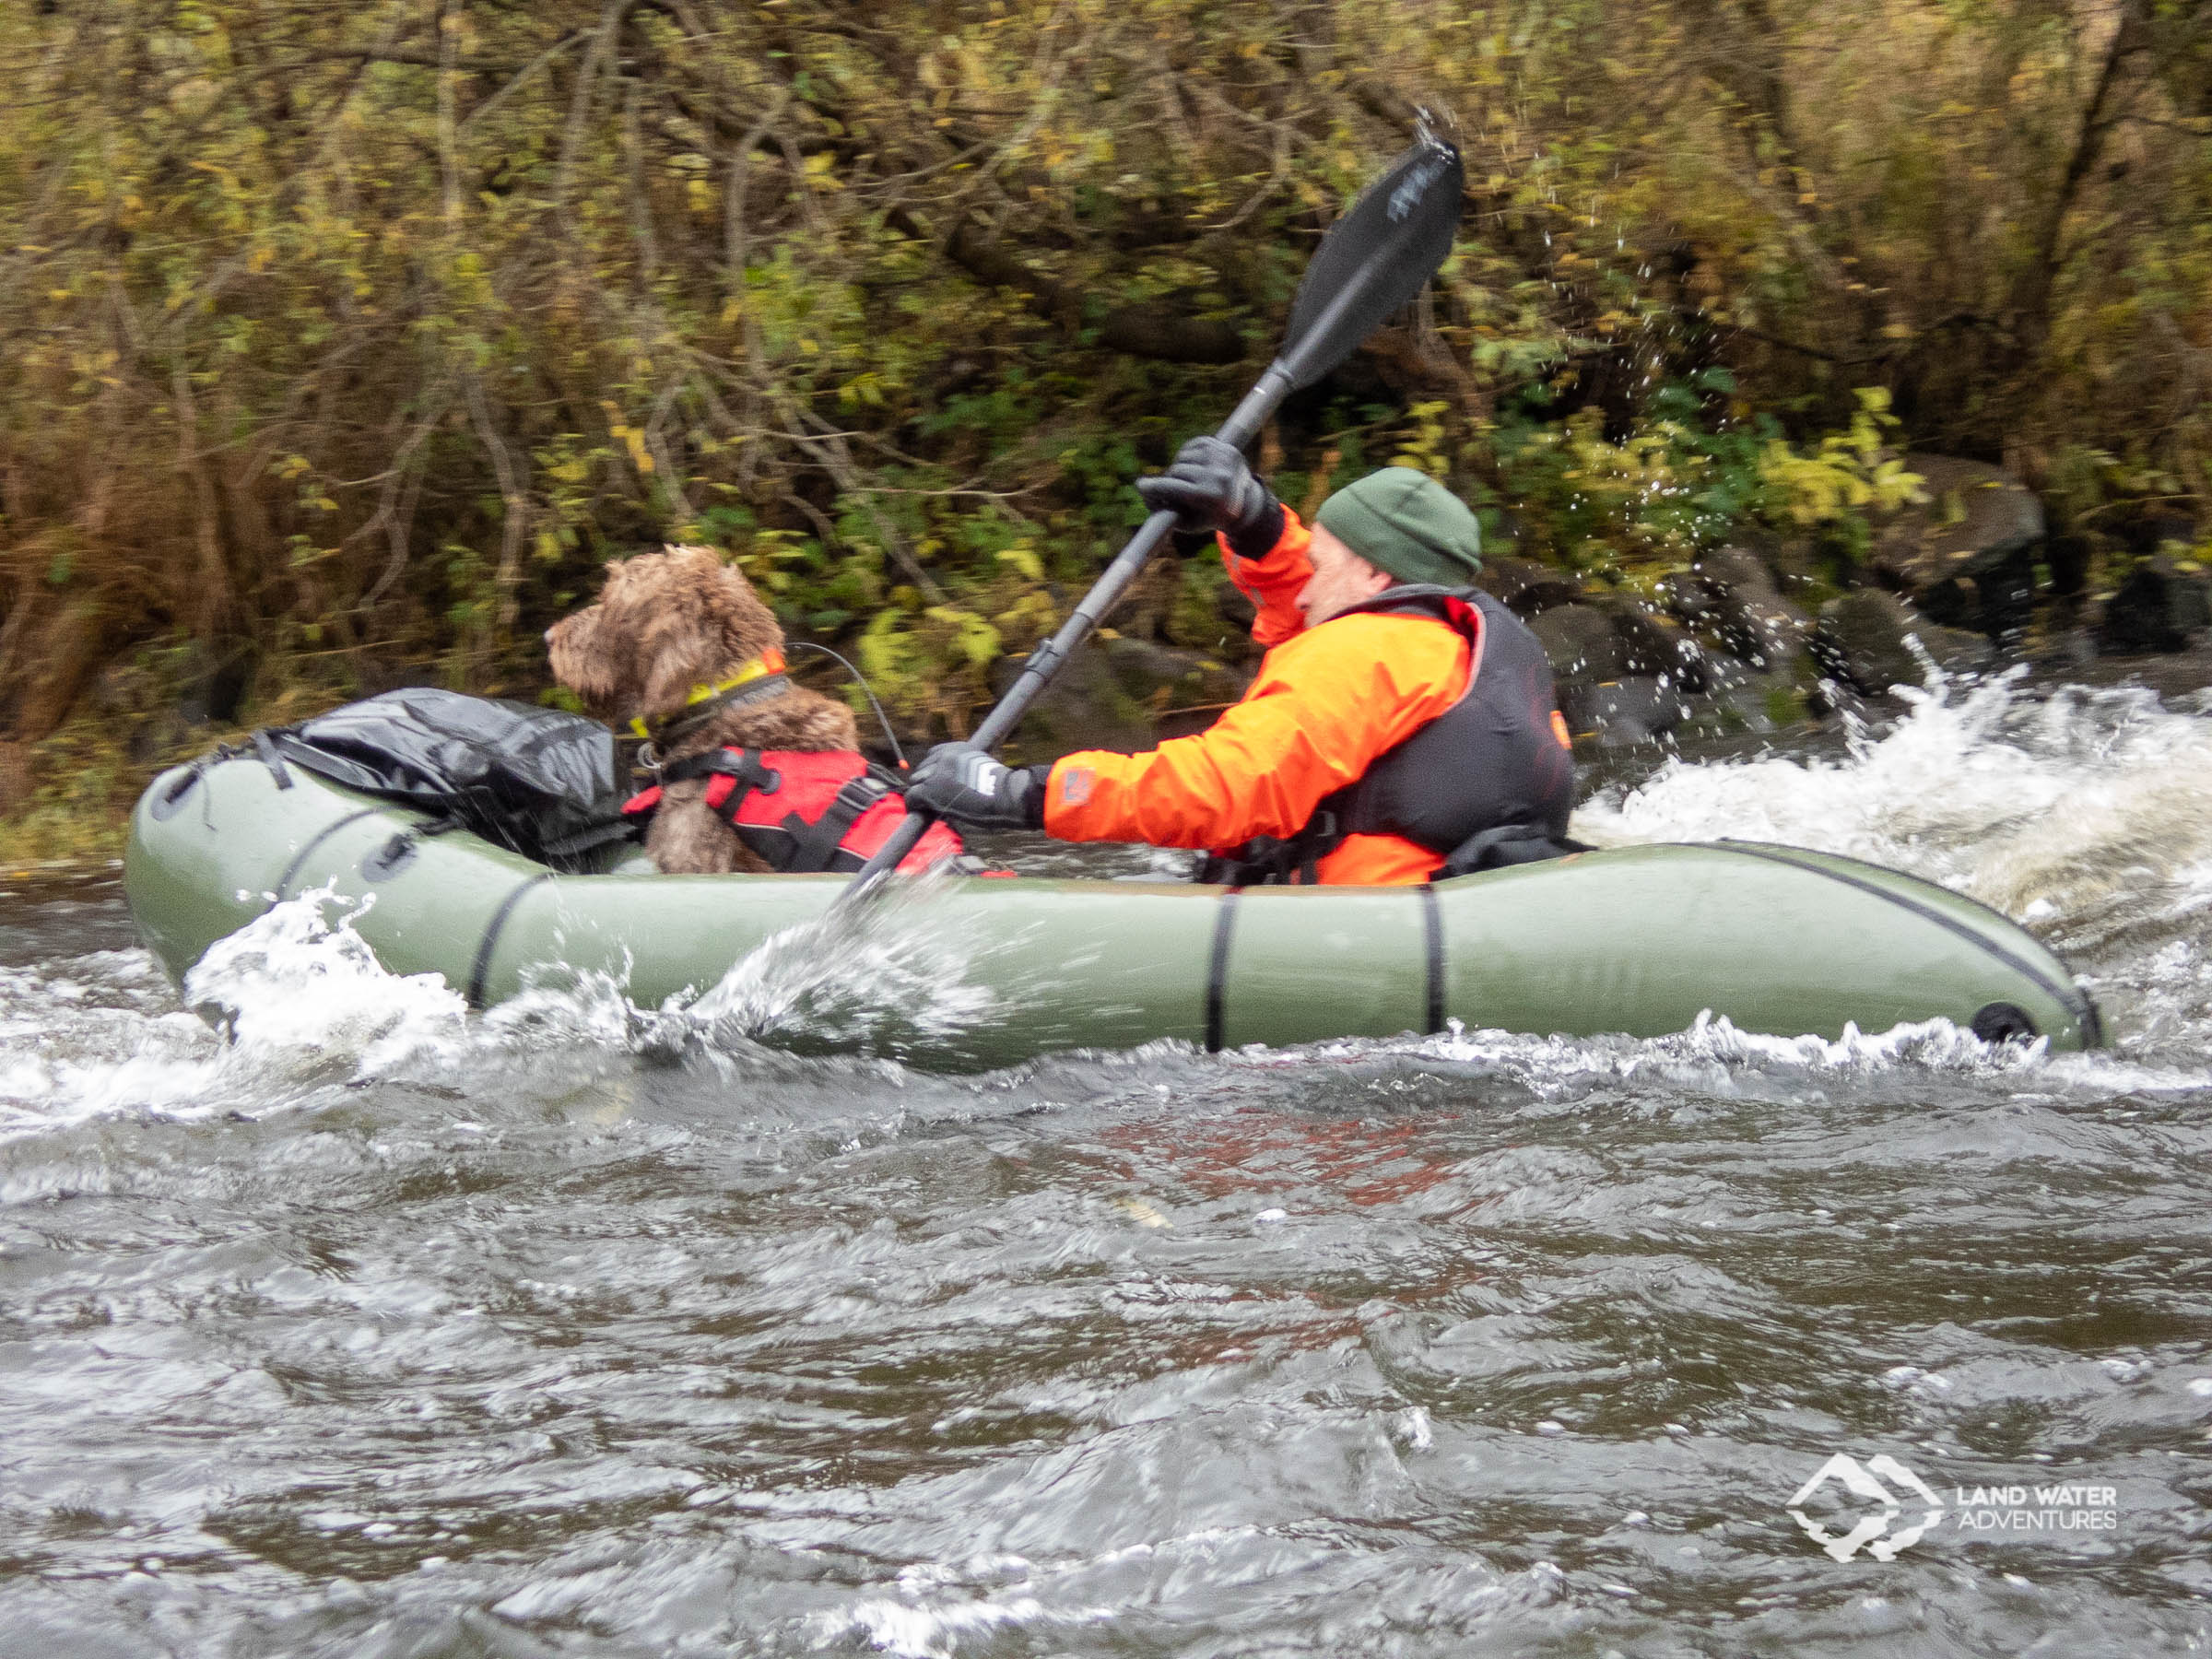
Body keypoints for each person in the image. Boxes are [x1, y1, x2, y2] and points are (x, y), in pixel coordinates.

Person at [903, 438, 1579, 884]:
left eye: (1319, 566)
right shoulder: (1455, 643)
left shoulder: (1363, 651)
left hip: (1352, 951)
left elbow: (1234, 787)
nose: (1305, 587)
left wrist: (1021, 794)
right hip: (1434, 910)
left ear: (1376, 576)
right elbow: (1312, 609)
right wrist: (1252, 519)